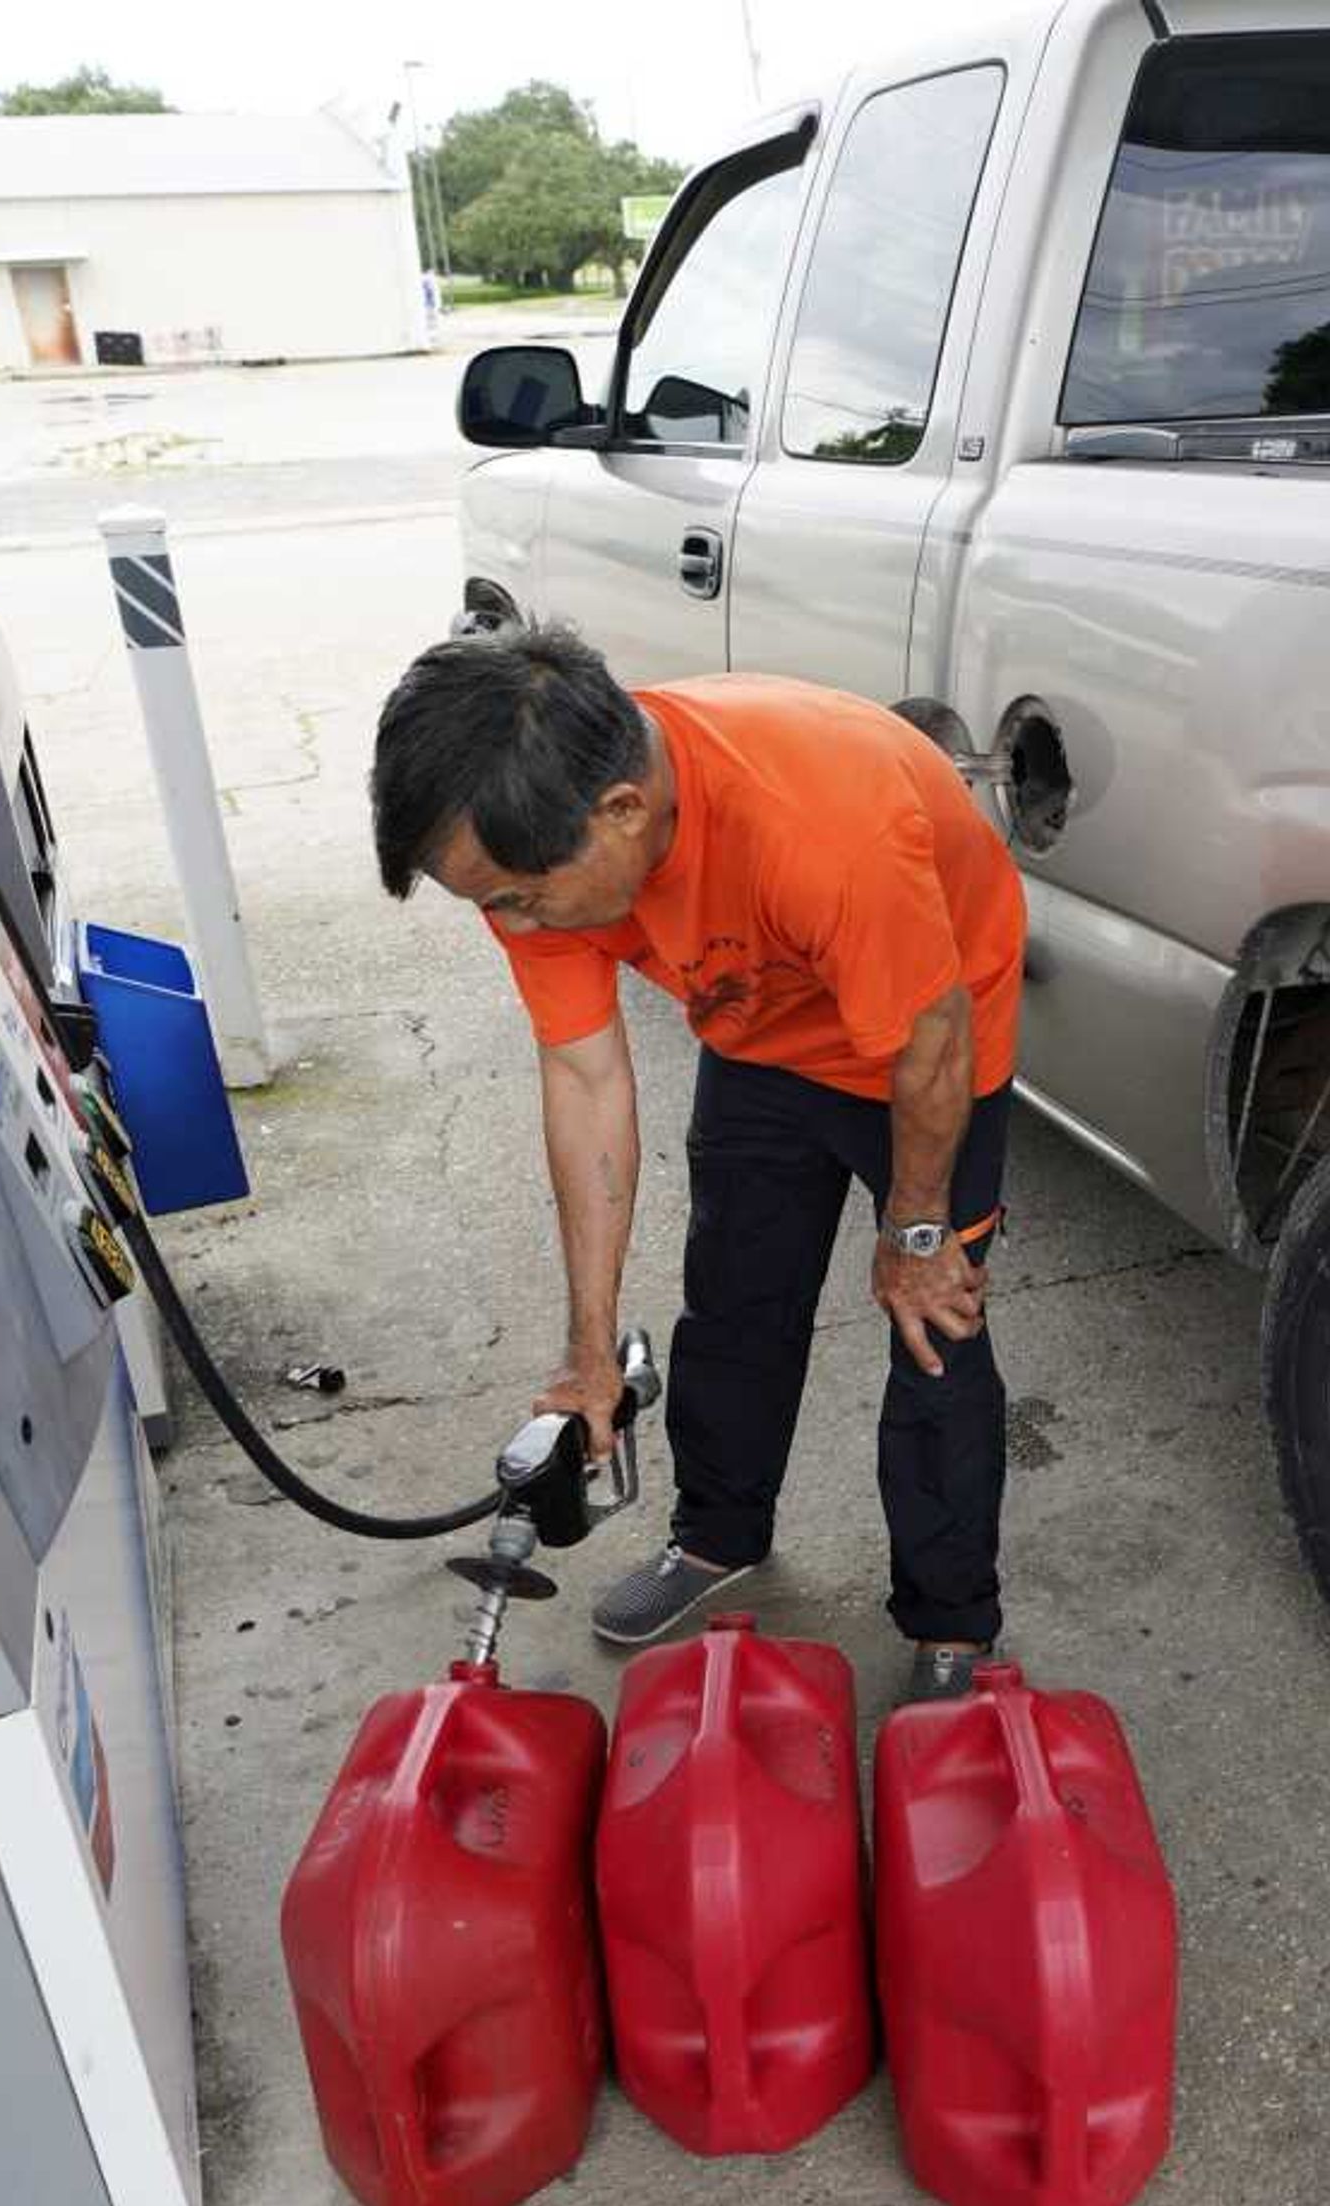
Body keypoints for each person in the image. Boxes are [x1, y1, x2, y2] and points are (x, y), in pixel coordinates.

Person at [369, 624, 1025, 1702]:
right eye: (484, 900)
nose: (507, 922)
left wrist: (914, 1232)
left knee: (934, 1326)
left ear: (623, 811)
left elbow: (929, 1043)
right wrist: (587, 1351)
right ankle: (719, 1535)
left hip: (933, 1037)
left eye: (518, 899)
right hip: (762, 1036)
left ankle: (951, 1616)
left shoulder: (822, 824)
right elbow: (585, 1086)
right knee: (733, 1296)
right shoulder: (531, 837)